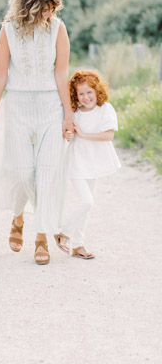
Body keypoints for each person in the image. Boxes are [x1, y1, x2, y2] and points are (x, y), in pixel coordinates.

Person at [0, 0, 73, 265]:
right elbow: (0, 74)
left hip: (51, 106)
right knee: (23, 171)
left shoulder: (58, 29)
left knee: (48, 174)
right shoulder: (8, 31)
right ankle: (17, 217)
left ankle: (41, 236)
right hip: (18, 106)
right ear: (29, 7)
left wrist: (68, 115)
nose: (49, 14)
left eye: (52, 8)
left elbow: (61, 74)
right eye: (44, 9)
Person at [55, 70, 121, 259]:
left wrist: (83, 135)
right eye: (80, 94)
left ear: (97, 90)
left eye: (89, 92)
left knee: (86, 206)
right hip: (77, 161)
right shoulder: (74, 113)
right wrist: (69, 134)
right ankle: (63, 233)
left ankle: (78, 246)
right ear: (75, 95)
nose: (85, 97)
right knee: (87, 201)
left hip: (94, 162)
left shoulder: (105, 109)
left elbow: (108, 135)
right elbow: (68, 133)